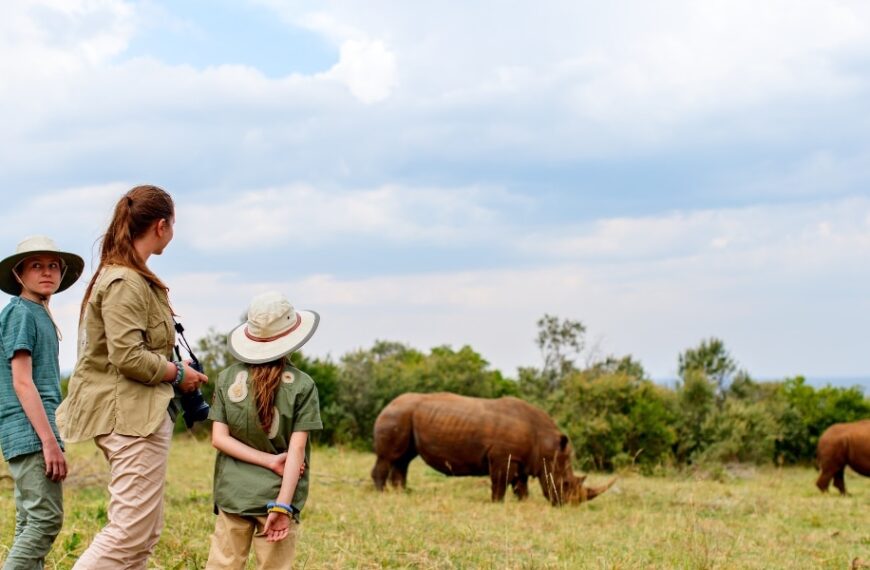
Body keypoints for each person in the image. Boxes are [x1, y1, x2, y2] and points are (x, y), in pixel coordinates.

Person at [55, 185, 208, 569]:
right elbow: (127, 356)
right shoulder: (124, 281)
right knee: (127, 533)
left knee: (143, 535)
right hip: (129, 419)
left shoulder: (132, 276)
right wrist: (178, 374)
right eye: (173, 224)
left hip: (140, 416)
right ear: (161, 226)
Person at [205, 291, 322, 569]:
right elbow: (296, 452)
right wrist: (282, 506)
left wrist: (267, 460)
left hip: (233, 494)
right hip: (276, 495)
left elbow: (219, 439)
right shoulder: (304, 385)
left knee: (223, 565)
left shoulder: (227, 378)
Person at [0, 235, 83, 569]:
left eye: (53, 265)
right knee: (45, 521)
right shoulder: (21, 313)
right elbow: (22, 382)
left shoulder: (36, 313)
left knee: (28, 522)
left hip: (34, 430)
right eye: (36, 265)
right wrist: (49, 441)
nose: (46, 272)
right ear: (19, 274)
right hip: (32, 432)